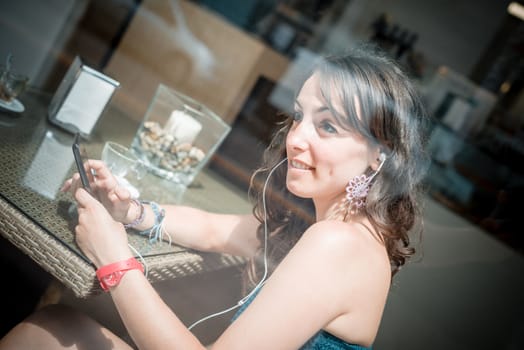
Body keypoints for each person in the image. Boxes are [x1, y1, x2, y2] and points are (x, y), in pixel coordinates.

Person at [0, 44, 429, 349]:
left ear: (379, 157)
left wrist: (114, 259)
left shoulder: (337, 244)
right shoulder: (334, 228)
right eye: (300, 116)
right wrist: (131, 211)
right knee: (50, 325)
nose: (297, 138)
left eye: (329, 126)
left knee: (38, 334)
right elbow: (213, 229)